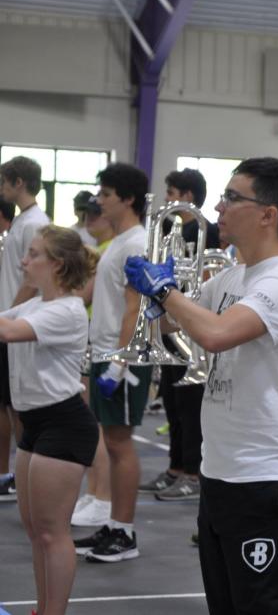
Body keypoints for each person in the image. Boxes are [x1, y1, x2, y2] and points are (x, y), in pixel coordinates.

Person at [124, 157, 278, 614]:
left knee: (262, 604)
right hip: (223, 468)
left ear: (268, 214)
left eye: (233, 197)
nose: (219, 207)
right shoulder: (234, 275)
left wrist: (165, 291)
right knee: (227, 602)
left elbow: (215, 333)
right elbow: (179, 320)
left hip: (266, 473)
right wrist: (155, 290)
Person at [4, 226, 99, 615]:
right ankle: (42, 609)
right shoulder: (36, 305)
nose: (25, 262)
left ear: (57, 265)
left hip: (63, 423)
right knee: (35, 531)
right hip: (36, 424)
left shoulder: (67, 310)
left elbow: (6, 331)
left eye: (34, 254)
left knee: (51, 531)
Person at [72, 163, 153, 563]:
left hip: (122, 357)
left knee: (121, 445)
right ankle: (115, 524)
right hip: (105, 351)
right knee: (112, 441)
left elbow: (135, 309)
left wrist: (121, 364)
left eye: (105, 194)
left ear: (127, 199)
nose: (99, 200)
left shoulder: (136, 243)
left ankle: (125, 533)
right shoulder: (118, 243)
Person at [139, 167, 220, 501]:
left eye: (172, 193)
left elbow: (205, 274)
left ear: (188, 196)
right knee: (171, 402)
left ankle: (193, 472)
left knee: (190, 406)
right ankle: (175, 468)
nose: (168, 200)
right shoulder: (165, 231)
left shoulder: (208, 232)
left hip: (193, 325)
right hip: (170, 325)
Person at [0, 156, 52, 502]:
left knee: (17, 405)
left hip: (15, 324)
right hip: (7, 323)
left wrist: (10, 316)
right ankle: (8, 473)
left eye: (4, 181)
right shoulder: (21, 222)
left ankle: (21, 474)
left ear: (19, 183)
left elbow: (32, 283)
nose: (1, 188)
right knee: (5, 403)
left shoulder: (36, 224)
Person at [70, 197, 115, 528]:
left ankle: (103, 497)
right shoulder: (103, 248)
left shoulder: (109, 251)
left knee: (95, 425)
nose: (87, 223)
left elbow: (84, 294)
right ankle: (95, 491)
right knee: (91, 424)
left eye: (92, 217)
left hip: (99, 342)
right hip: (92, 339)